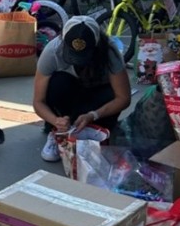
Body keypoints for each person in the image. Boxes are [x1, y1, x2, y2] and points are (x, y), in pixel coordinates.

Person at [33, 15, 132, 162]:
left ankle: (95, 130)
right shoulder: (52, 52)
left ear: (97, 45)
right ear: (63, 40)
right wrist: (55, 120)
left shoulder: (110, 52)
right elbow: (38, 101)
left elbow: (123, 98)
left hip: (94, 100)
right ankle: (58, 132)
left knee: (111, 92)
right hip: (69, 99)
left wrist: (94, 115)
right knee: (58, 82)